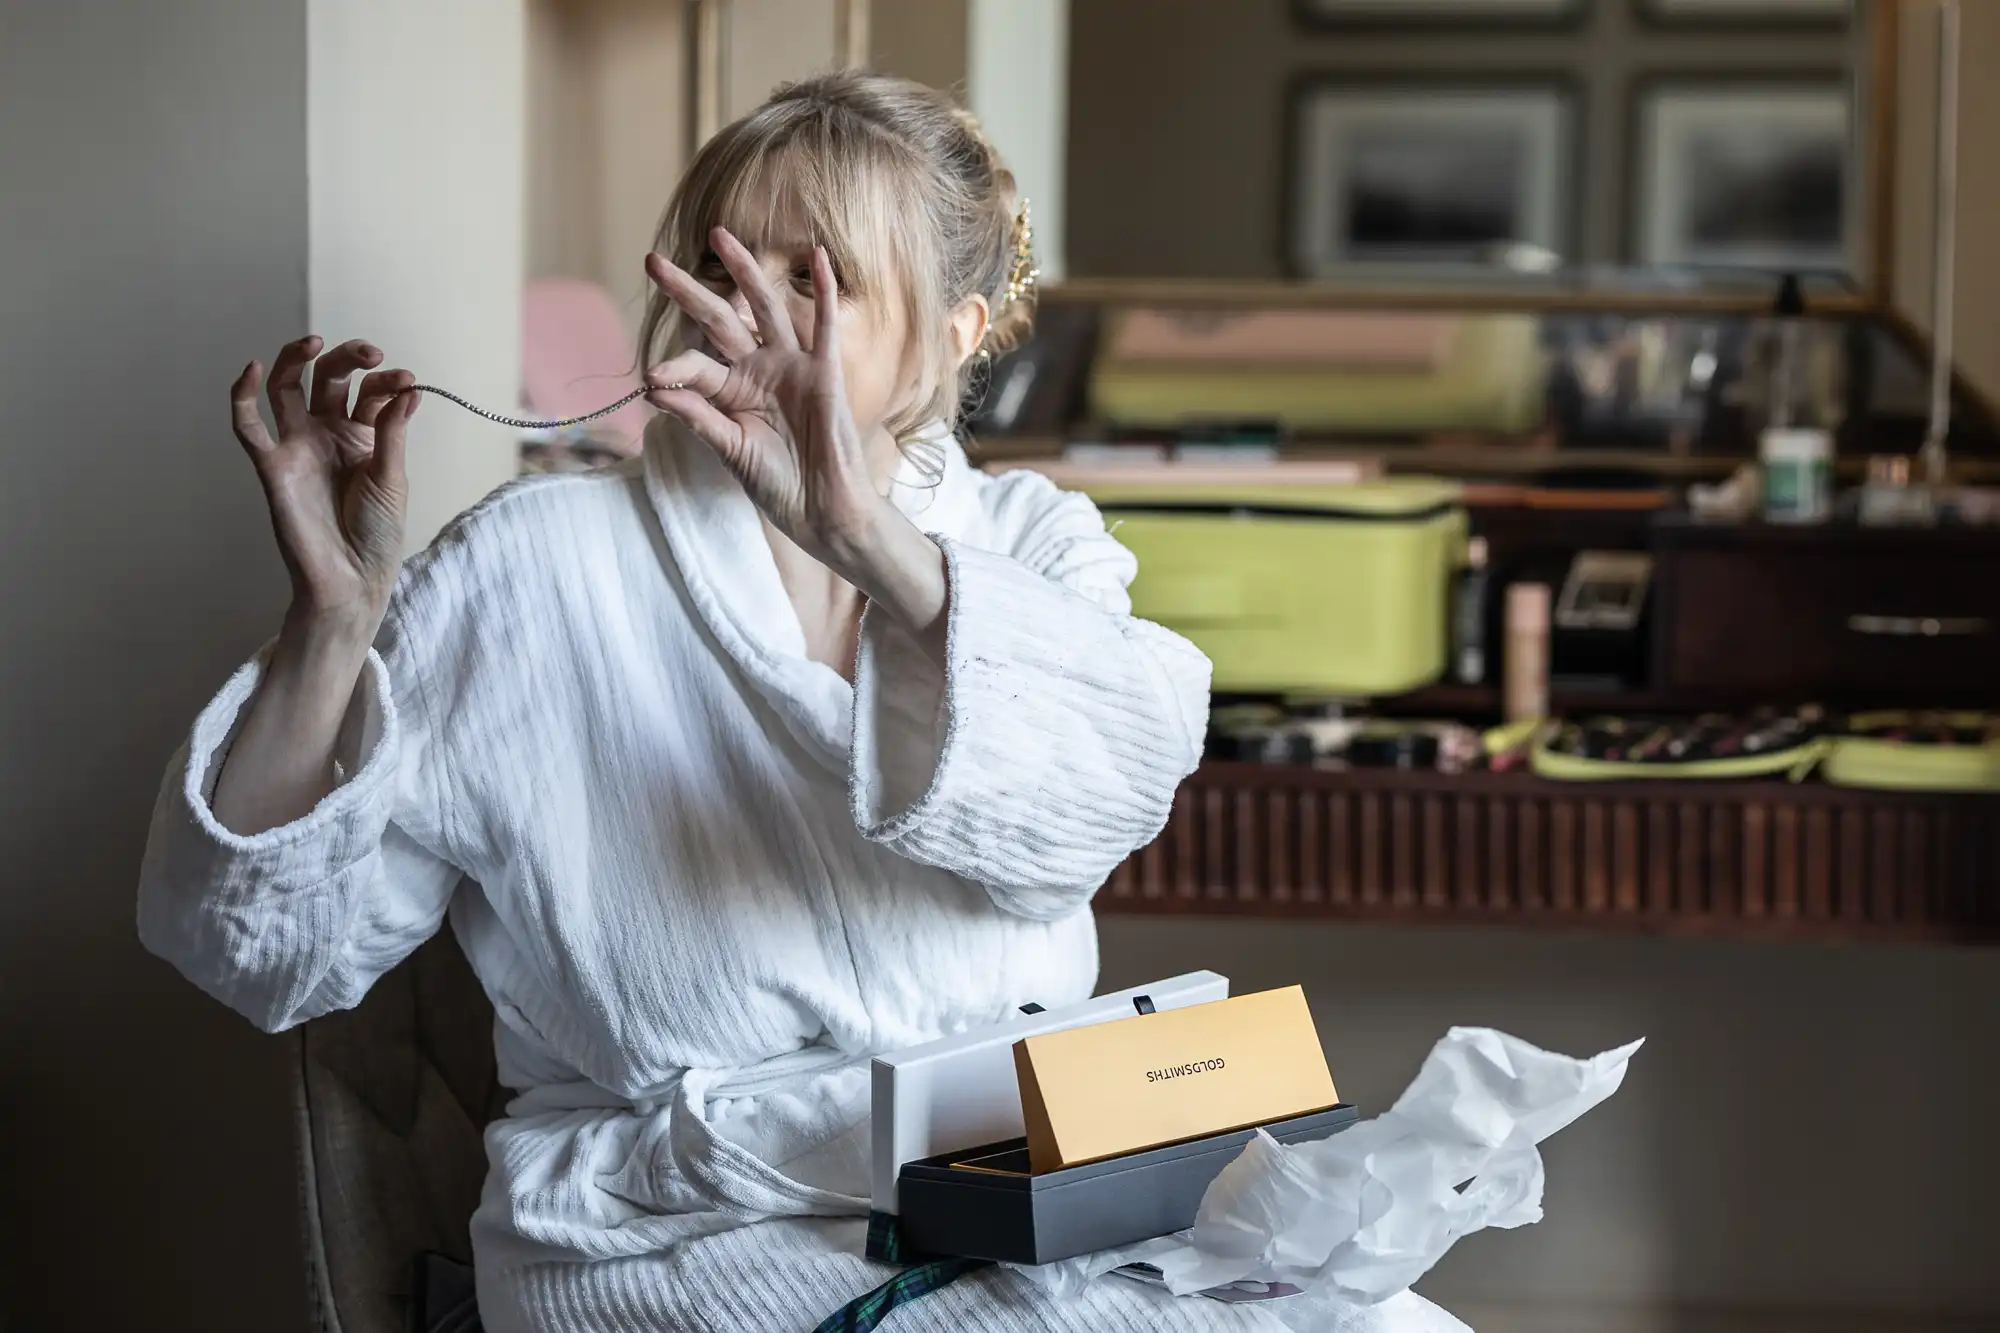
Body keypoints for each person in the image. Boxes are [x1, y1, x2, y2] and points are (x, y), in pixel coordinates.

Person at [138, 73, 1466, 1333]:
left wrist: (858, 532)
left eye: (816, 278)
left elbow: (1097, 807)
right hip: (680, 1228)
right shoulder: (533, 565)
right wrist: (335, 622)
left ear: (952, 335)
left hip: (1030, 1175)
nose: (754, 310)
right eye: (725, 265)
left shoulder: (1031, 547)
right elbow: (261, 955)